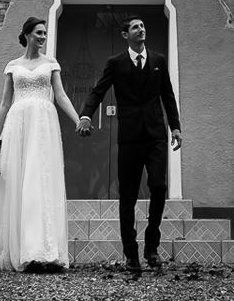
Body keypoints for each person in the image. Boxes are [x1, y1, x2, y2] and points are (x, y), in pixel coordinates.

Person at [0, 15, 83, 272]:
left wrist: (78, 120)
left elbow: (61, 95)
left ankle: (41, 250)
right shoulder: (13, 65)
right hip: (17, 126)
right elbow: (4, 103)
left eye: (45, 33)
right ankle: (15, 248)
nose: (43, 37)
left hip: (43, 126)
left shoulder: (51, 63)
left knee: (40, 180)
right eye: (39, 33)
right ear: (27, 34)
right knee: (16, 181)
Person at [76, 15, 181, 274]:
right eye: (135, 27)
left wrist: (175, 127)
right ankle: (131, 253)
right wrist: (86, 115)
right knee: (128, 196)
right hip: (130, 138)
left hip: (156, 134)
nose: (141, 29)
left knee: (158, 186)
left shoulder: (158, 61)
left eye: (143, 25)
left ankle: (152, 246)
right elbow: (98, 91)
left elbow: (167, 95)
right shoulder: (116, 63)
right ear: (125, 35)